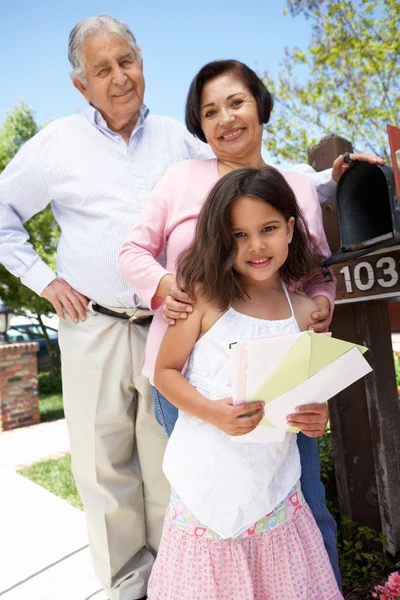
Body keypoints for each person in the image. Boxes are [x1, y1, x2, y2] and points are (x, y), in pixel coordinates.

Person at [0, 15, 217, 600]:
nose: (120, 77)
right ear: (81, 86)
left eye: (127, 61)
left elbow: (241, 173)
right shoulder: (55, 145)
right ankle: (128, 585)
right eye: (103, 69)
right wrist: (44, 280)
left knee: (168, 457)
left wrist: (327, 178)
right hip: (91, 323)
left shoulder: (177, 138)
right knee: (103, 466)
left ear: (141, 64)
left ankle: (175, 579)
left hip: (167, 327)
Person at [119, 59, 345, 585]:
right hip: (196, 376)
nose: (226, 118)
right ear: (199, 123)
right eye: (210, 110)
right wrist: (166, 286)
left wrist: (320, 308)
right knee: (211, 508)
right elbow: (133, 250)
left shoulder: (295, 186)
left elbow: (316, 275)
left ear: (260, 105)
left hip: (279, 380)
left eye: (236, 102)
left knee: (303, 505)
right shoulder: (182, 179)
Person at [146, 165, 343, 599]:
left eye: (268, 228)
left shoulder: (305, 312)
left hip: (274, 493)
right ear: (221, 238)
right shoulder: (205, 298)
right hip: (207, 488)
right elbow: (164, 373)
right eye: (238, 235)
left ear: (291, 229)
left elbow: (308, 397)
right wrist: (213, 412)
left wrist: (317, 418)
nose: (256, 245)